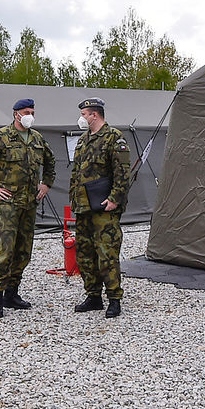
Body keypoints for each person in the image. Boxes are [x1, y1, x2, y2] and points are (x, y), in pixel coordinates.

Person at [0, 98, 56, 318]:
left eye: (32, 111)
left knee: (23, 251)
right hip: (8, 205)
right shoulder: (1, 137)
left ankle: (12, 293)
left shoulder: (37, 138)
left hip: (29, 204)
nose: (30, 115)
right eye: (26, 111)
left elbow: (51, 161)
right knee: (5, 252)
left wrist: (46, 184)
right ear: (16, 113)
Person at [69, 97, 132, 318]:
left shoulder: (114, 138)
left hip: (104, 208)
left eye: (84, 114)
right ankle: (93, 296)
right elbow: (77, 174)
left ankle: (114, 298)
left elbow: (123, 172)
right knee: (85, 254)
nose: (82, 118)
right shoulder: (83, 140)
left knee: (107, 254)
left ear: (94, 115)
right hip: (83, 208)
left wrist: (115, 198)